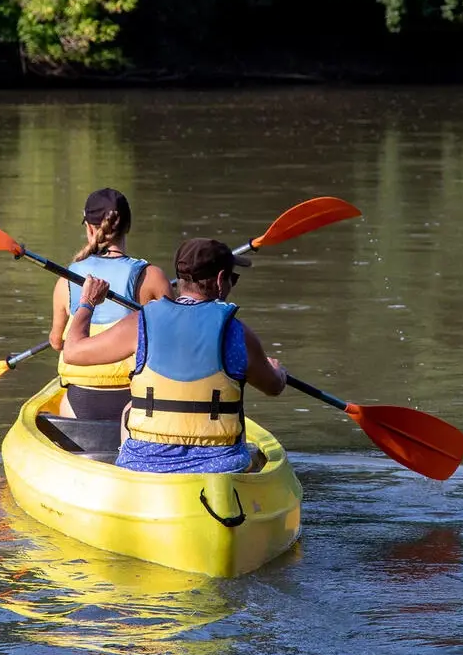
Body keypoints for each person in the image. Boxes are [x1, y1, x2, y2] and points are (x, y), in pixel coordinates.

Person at [60, 238, 288, 473]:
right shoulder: (238, 333)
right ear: (221, 281)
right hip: (220, 471)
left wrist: (87, 302)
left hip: (145, 467)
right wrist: (277, 371)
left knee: (131, 407)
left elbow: (73, 351)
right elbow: (273, 387)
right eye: (233, 278)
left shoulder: (140, 323)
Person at [49, 188, 172, 419]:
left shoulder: (66, 279)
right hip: (136, 402)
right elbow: (174, 341)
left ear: (90, 228)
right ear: (128, 226)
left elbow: (56, 342)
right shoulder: (153, 277)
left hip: (80, 402)